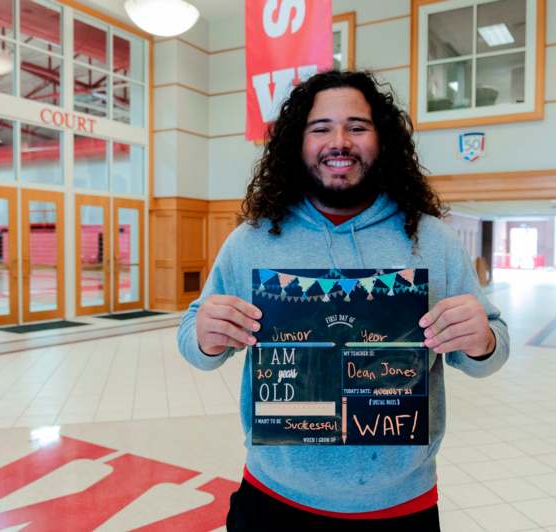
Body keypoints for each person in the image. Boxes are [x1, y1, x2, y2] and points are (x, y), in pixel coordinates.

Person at [177, 70, 509, 531]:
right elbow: (193, 342)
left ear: (383, 140)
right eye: (320, 128)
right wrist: (204, 335)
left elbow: (490, 354)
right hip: (274, 500)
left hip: (400, 506)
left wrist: (483, 341)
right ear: (297, 143)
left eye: (357, 126)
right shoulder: (250, 241)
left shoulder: (434, 241)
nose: (339, 141)